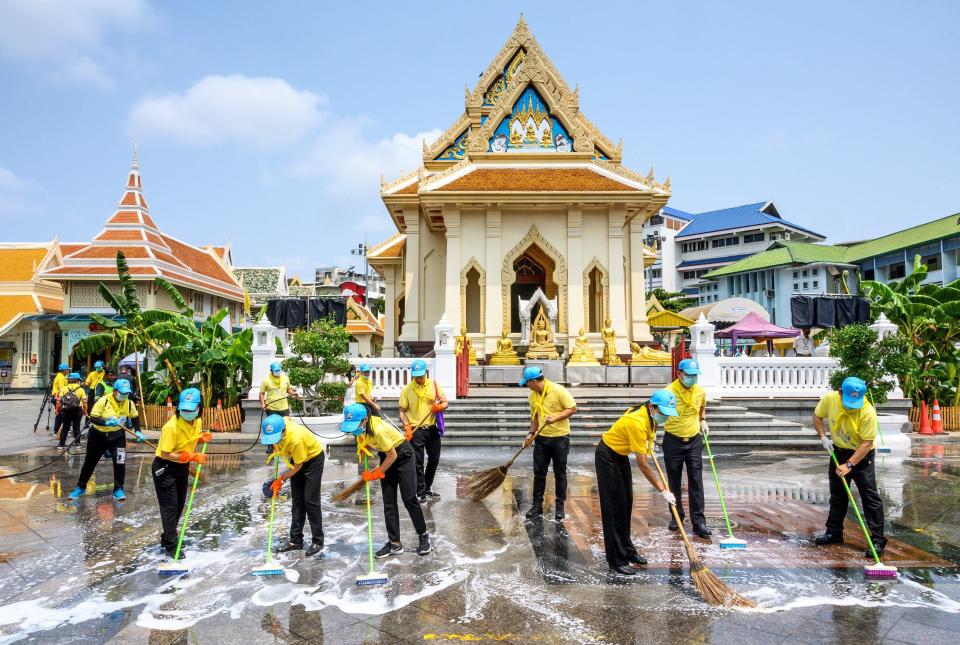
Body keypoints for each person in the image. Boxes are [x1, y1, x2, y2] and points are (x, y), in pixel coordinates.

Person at [596, 390, 679, 576]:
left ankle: (627, 551)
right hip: (607, 457)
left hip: (620, 455)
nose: (665, 417)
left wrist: (651, 444)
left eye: (667, 413)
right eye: (663, 413)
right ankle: (616, 561)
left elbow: (651, 433)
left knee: (626, 504)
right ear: (652, 407)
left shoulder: (649, 415)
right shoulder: (637, 422)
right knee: (614, 509)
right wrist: (662, 489)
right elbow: (643, 464)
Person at [339, 403, 431, 557]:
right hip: (386, 454)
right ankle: (394, 543)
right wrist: (362, 446)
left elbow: (393, 455)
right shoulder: (360, 427)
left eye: (356, 424)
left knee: (409, 498)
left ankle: (423, 536)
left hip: (403, 455)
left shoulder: (378, 430)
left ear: (366, 419)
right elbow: (366, 440)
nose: (354, 429)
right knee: (388, 501)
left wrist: (378, 472)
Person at [812, 376, 886, 557]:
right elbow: (817, 416)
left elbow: (867, 443)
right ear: (840, 392)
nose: (852, 405)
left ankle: (877, 541)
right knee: (838, 495)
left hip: (862, 455)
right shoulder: (830, 399)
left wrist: (849, 464)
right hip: (838, 450)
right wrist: (823, 437)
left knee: (869, 496)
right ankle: (834, 532)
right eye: (849, 400)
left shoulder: (867, 412)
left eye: (856, 401)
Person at [153, 388, 211, 558]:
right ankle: (172, 546)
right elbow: (165, 453)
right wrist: (192, 455)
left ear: (199, 408)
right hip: (165, 468)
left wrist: (199, 438)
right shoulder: (171, 427)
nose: (187, 413)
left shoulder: (197, 421)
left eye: (191, 409)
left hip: (181, 467)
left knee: (178, 505)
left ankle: (167, 537)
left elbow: (190, 437)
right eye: (184, 409)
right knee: (169, 507)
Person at [67, 378, 144, 501]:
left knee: (120, 462)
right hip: (98, 435)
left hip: (117, 436)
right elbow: (93, 418)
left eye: (126, 393)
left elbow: (135, 417)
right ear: (115, 391)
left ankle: (118, 489)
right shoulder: (104, 401)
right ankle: (80, 487)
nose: (124, 395)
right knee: (89, 462)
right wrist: (106, 423)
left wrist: (138, 431)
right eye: (122, 393)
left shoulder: (129, 403)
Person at [261, 413, 326, 556]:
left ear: (283, 431)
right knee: (297, 501)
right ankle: (295, 540)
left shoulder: (296, 439)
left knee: (310, 501)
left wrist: (281, 479)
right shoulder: (281, 423)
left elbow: (298, 466)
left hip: (312, 460)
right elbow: (287, 417)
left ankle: (318, 541)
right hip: (296, 458)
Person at [520, 365, 578, 520]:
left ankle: (560, 506)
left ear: (533, 381)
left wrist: (556, 418)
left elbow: (572, 408)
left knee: (560, 473)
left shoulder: (558, 390)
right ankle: (537, 506)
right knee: (539, 473)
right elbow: (535, 417)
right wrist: (530, 434)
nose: (526, 386)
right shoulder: (532, 396)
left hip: (560, 438)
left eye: (527, 383)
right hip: (541, 439)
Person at [663, 358, 712, 538]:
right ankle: (677, 516)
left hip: (694, 441)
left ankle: (699, 521)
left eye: (695, 376)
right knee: (674, 481)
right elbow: (655, 412)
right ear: (680, 374)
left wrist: (703, 420)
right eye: (689, 376)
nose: (693, 379)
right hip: (673, 440)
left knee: (696, 481)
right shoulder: (668, 392)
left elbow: (702, 407)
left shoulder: (700, 391)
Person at [399, 359, 448, 501]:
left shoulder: (434, 386)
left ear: (425, 372)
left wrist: (439, 407)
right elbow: (402, 411)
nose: (418, 379)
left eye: (420, 376)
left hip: (432, 429)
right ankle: (420, 491)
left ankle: (427, 486)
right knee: (418, 462)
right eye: (416, 376)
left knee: (434, 459)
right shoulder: (407, 390)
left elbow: (445, 402)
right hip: (416, 429)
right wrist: (406, 426)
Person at [57, 373, 87, 450]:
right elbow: (84, 402)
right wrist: (85, 410)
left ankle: (61, 444)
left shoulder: (64, 388)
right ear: (77, 380)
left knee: (65, 427)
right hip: (77, 410)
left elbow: (58, 401)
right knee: (76, 427)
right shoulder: (81, 390)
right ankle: (77, 444)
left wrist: (57, 410)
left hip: (66, 410)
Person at [83, 361, 106, 429]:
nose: (97, 368)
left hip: (101, 391)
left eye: (99, 367)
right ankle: (87, 423)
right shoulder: (92, 373)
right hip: (92, 391)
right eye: (96, 367)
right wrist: (85, 384)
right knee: (89, 407)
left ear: (102, 366)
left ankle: (99, 422)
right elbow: (87, 382)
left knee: (100, 407)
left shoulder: (105, 373)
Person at [50, 363, 70, 437]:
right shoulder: (61, 378)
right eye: (67, 370)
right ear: (64, 370)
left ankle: (58, 430)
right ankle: (56, 431)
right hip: (58, 397)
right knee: (60, 415)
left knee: (60, 414)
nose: (68, 371)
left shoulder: (60, 376)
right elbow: (62, 389)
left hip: (57, 397)